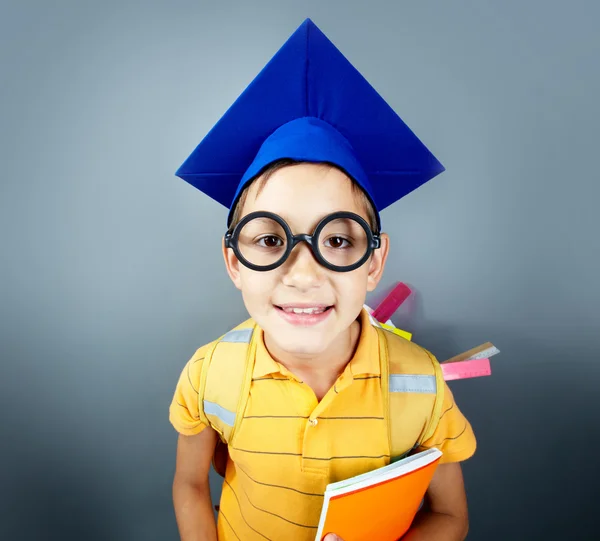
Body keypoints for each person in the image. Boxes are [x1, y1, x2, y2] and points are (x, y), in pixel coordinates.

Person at [169, 18, 476, 541]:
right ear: (233, 261)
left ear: (374, 262)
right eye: (270, 241)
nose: (304, 273)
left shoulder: (422, 386)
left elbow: (450, 518)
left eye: (337, 240)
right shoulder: (209, 372)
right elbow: (191, 486)